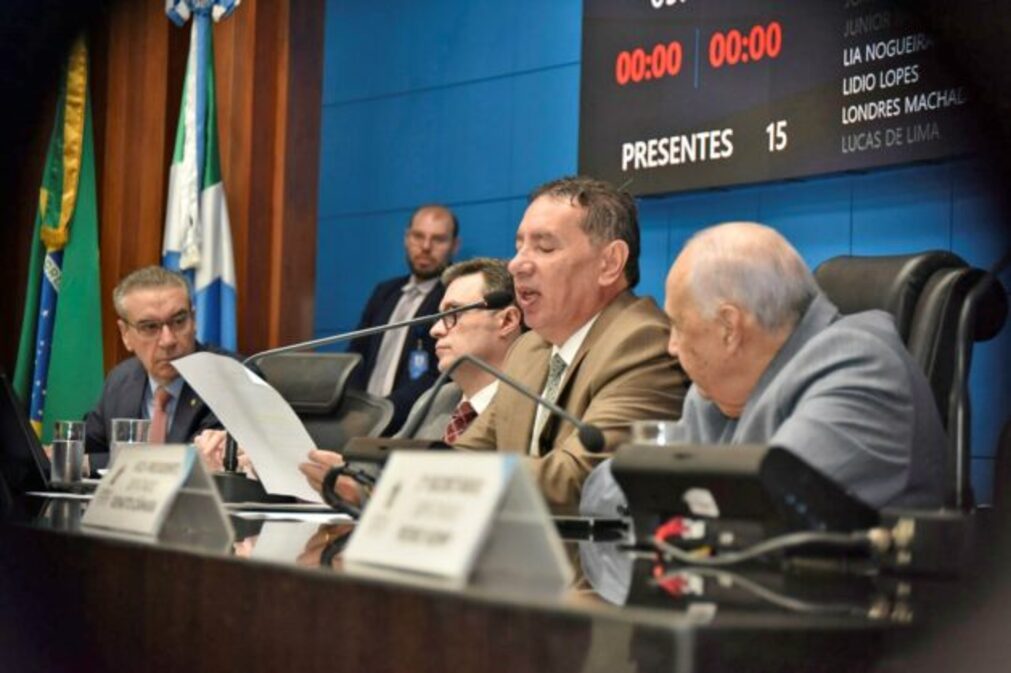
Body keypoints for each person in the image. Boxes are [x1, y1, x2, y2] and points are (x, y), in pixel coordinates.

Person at [581, 222, 947, 516]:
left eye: (679, 326)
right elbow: (604, 492)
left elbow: (768, 508)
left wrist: (662, 494)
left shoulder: (862, 367)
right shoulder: (715, 394)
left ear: (729, 327)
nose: (671, 346)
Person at [454, 176, 688, 510]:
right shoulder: (529, 349)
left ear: (609, 263)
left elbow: (580, 479)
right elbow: (471, 451)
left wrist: (446, 480)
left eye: (544, 247)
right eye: (519, 245)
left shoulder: (643, 343)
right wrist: (374, 478)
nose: (516, 264)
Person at [300, 257, 524, 494]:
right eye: (439, 316)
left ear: (507, 321)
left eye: (453, 314)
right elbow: (374, 471)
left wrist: (367, 495)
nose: (435, 330)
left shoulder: (529, 408)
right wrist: (337, 473)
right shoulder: (438, 399)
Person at [83, 266, 235, 469]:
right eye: (150, 327)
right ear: (125, 334)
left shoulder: (228, 378)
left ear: (194, 320)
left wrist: (90, 463)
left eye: (179, 321)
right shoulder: (120, 380)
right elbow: (84, 448)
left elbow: (190, 460)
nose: (168, 340)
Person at [346, 205, 460, 433]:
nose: (426, 247)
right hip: (360, 423)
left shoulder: (453, 296)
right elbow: (355, 356)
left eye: (438, 239)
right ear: (407, 238)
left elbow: (442, 373)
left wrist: (382, 411)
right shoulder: (384, 292)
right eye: (419, 236)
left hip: (413, 423)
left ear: (454, 246)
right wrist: (353, 410)